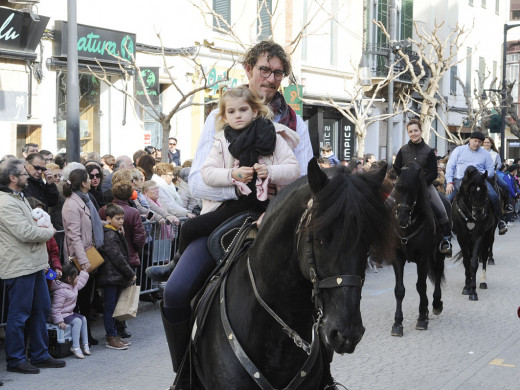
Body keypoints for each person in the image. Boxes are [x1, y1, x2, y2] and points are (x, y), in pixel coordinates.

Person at [148, 40, 312, 282]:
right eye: (264, 70)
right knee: (176, 293)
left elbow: (304, 181)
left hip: (277, 216)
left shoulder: (295, 124)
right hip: (225, 213)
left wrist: (271, 184)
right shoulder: (219, 116)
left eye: (278, 73)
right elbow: (196, 181)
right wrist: (237, 186)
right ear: (248, 69)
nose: (270, 78)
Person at [0, 157, 66, 374]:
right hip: (19, 266)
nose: (27, 176)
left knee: (42, 309)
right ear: (12, 177)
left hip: (36, 264)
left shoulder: (18, 197)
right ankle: (16, 359)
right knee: (19, 315)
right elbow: (25, 232)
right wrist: (49, 233)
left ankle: (39, 354)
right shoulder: (5, 202)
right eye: (24, 173)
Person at [393, 119, 453, 256]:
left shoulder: (429, 151)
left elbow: (433, 173)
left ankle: (446, 240)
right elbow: (396, 168)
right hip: (404, 187)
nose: (413, 134)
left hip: (425, 186)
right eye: (410, 131)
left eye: (416, 131)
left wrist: (420, 183)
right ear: (408, 133)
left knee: (442, 209)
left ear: (421, 131)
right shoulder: (403, 150)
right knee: (385, 204)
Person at [62, 169, 105, 346]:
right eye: (88, 178)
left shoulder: (83, 200)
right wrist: (84, 261)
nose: (91, 180)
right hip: (79, 258)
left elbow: (89, 226)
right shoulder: (72, 204)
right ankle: (79, 336)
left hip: (87, 253)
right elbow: (75, 236)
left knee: (85, 298)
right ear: (83, 183)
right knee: (79, 298)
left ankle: (84, 334)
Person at [446, 131, 508, 235]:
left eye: (480, 142)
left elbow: (491, 171)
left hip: (479, 181)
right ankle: (446, 229)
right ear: (470, 140)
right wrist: (449, 183)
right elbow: (450, 167)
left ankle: (501, 221)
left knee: (493, 195)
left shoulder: (485, 154)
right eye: (475, 141)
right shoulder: (458, 150)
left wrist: (478, 175)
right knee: (446, 200)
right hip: (460, 180)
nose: (477, 143)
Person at [97, 203, 136, 350]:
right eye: (117, 218)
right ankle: (111, 337)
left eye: (122, 218)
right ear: (108, 218)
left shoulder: (115, 232)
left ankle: (114, 334)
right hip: (110, 276)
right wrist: (130, 273)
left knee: (113, 308)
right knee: (110, 307)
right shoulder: (110, 235)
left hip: (114, 276)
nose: (121, 221)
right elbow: (117, 257)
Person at [50, 264, 90, 359]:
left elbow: (81, 281)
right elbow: (55, 308)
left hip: (68, 313)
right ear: (69, 278)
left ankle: (85, 344)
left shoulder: (73, 285)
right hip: (62, 315)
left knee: (83, 318)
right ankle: (75, 346)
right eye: (76, 276)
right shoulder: (61, 291)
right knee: (77, 321)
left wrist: (84, 272)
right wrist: (59, 321)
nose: (78, 278)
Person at [483, 136, 512, 211]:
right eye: (485, 142)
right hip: (480, 174)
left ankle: (507, 205)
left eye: (488, 142)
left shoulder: (495, 154)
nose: (486, 144)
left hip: (493, 173)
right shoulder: (479, 151)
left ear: (491, 144)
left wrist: (492, 167)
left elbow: (499, 165)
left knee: (505, 185)